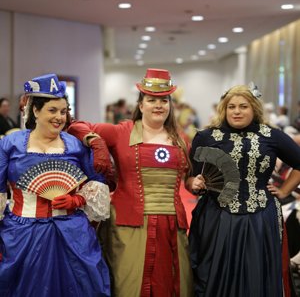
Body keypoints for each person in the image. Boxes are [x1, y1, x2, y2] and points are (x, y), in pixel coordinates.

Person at [68, 68, 194, 297]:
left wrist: (196, 183)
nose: (158, 105)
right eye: (152, 100)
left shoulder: (182, 139)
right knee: (129, 285)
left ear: (170, 105)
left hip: (172, 227)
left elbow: (190, 178)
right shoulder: (121, 132)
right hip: (128, 226)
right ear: (141, 104)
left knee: (174, 284)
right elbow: (75, 125)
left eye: (164, 100)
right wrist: (94, 141)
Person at [0, 74, 111, 297]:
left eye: (63, 111)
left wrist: (76, 199)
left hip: (72, 232)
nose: (59, 117)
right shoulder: (9, 144)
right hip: (22, 233)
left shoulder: (75, 145)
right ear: (35, 111)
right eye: (52, 110)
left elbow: (97, 182)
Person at [185, 83, 300, 297]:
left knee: (256, 273)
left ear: (254, 108)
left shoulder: (272, 136)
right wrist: (193, 183)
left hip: (260, 217)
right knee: (211, 272)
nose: (237, 111)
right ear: (224, 109)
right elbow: (189, 175)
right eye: (232, 107)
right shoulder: (206, 136)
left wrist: (284, 191)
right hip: (216, 216)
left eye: (243, 106)